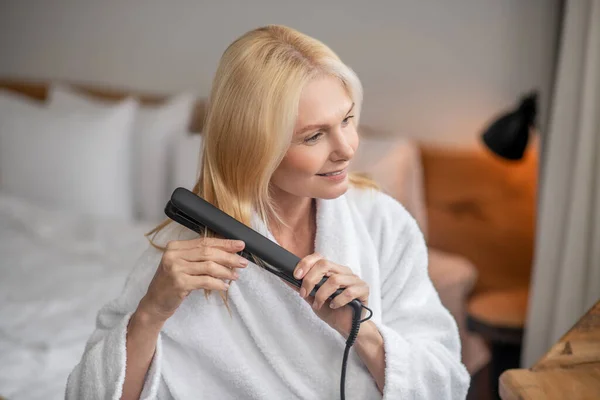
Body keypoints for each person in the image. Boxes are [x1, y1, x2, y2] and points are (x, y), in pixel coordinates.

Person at [66, 25, 470, 399]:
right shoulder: (185, 256)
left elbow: (444, 382)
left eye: (347, 119)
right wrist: (152, 311)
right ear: (255, 147)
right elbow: (89, 394)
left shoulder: (382, 224)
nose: (347, 148)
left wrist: (360, 332)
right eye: (313, 136)